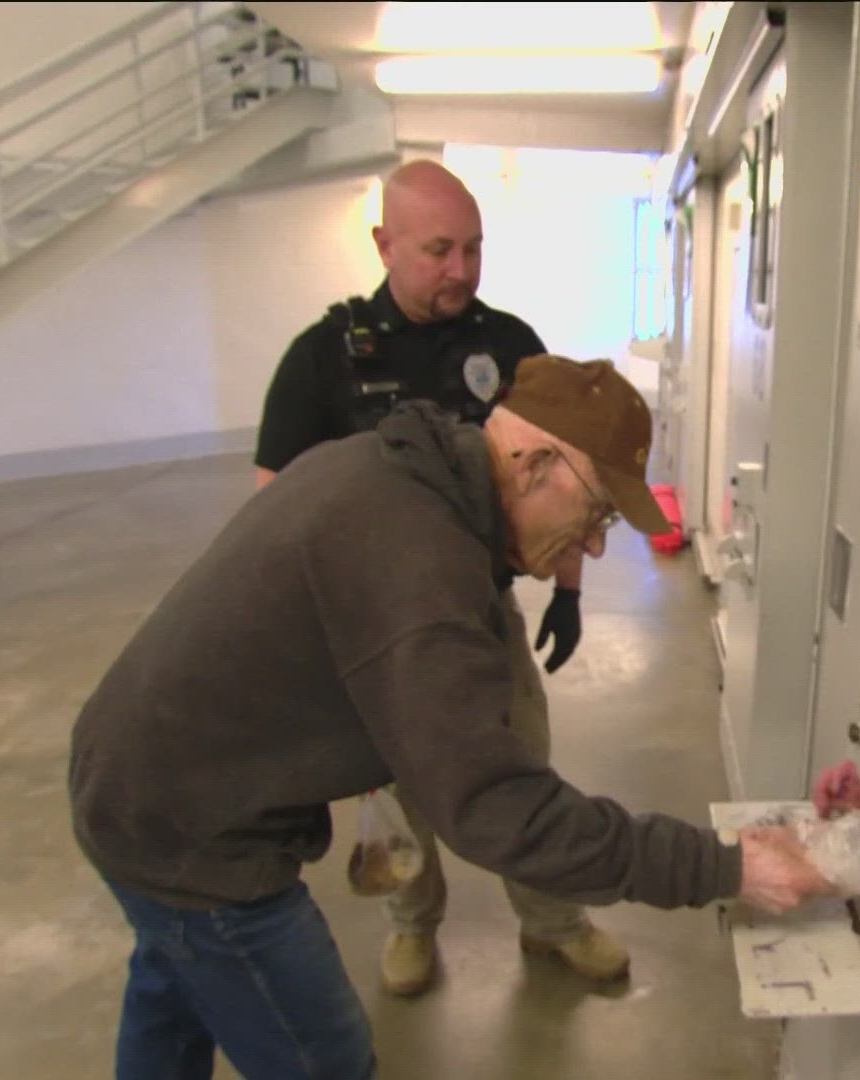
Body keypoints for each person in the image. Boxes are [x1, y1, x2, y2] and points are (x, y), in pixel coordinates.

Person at [69, 355, 835, 1079]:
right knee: (324, 1058)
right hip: (187, 828)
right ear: (535, 465)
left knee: (173, 989)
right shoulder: (419, 560)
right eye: (598, 511)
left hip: (137, 778)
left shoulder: (411, 470)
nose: (598, 548)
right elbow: (499, 811)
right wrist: (726, 866)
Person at [250, 159, 612, 997]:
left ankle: (555, 922)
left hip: (484, 617)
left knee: (523, 768)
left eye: (475, 249)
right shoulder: (323, 359)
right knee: (400, 784)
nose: (461, 269)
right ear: (385, 244)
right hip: (375, 633)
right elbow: (272, 504)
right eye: (440, 249)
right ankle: (414, 926)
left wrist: (568, 590)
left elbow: (568, 477)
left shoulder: (511, 344)